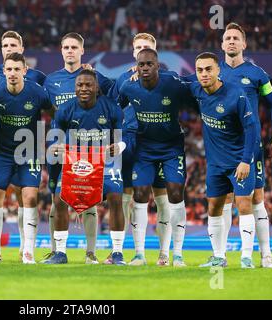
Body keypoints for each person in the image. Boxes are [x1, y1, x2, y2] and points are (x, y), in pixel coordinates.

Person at [118, 48, 196, 266]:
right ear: (136, 65)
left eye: (149, 64)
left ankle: (177, 254)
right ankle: (139, 254)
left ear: (157, 64)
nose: (145, 68)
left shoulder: (172, 82)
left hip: (172, 148)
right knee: (140, 194)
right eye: (141, 64)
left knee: (174, 192)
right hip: (144, 148)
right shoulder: (129, 86)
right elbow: (115, 107)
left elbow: (194, 93)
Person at [0, 31, 46, 262]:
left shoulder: (37, 90)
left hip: (30, 150)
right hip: (2, 151)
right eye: (9, 69)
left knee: (31, 197)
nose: (13, 73)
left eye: (17, 69)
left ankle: (28, 251)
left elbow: (54, 111)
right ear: (3, 71)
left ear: (25, 70)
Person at [42, 32, 114, 264]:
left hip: (90, 147)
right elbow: (42, 109)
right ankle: (56, 251)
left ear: (82, 50)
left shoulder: (95, 78)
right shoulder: (51, 80)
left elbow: (116, 95)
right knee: (57, 199)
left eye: (74, 47)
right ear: (61, 51)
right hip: (61, 146)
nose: (70, 51)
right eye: (66, 47)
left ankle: (90, 253)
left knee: (90, 200)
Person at [217, 23, 272, 268]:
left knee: (256, 199)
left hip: (249, 146)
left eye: (236, 38)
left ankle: (265, 255)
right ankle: (220, 256)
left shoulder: (257, 74)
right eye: (227, 38)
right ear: (222, 44)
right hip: (221, 147)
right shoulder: (215, 72)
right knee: (221, 201)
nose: (231, 41)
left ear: (244, 44)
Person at [107, 33, 175, 266]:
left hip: (160, 145)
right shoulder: (123, 81)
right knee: (128, 199)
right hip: (129, 144)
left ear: (155, 52)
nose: (142, 50)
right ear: (133, 53)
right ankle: (128, 252)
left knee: (162, 199)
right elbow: (112, 111)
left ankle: (164, 254)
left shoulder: (168, 79)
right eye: (138, 48)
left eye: (147, 47)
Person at [190, 52, 257, 268]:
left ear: (218, 70)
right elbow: (169, 79)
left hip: (239, 162)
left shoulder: (235, 94)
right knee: (213, 208)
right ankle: (219, 257)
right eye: (200, 70)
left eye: (209, 69)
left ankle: (246, 257)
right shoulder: (196, 89)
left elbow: (252, 128)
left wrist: (246, 160)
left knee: (244, 203)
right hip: (215, 165)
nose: (204, 74)